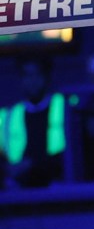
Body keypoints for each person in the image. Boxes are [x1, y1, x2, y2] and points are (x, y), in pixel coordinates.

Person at [0, 55, 72, 189]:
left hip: (59, 185)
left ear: (47, 77)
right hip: (18, 189)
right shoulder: (8, 115)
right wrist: (7, 169)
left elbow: (73, 152)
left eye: (37, 74)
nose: (32, 81)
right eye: (27, 75)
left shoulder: (65, 107)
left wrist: (33, 164)